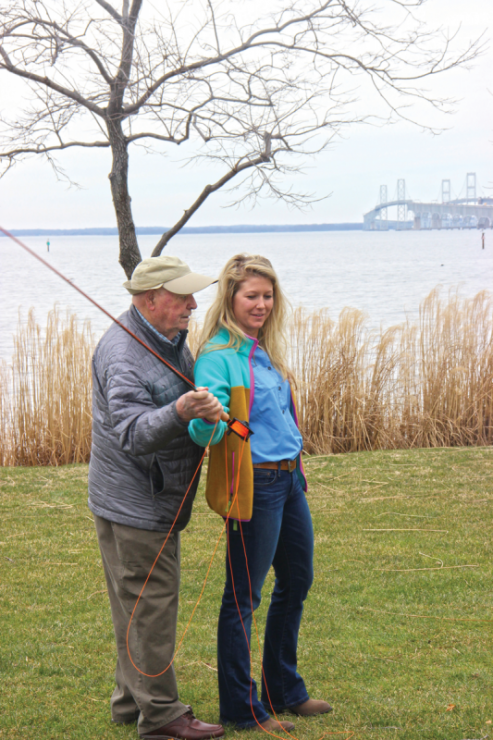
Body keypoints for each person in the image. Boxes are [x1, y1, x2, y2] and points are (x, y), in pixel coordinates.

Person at [189, 254, 332, 731]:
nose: (262, 304)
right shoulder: (217, 355)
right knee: (243, 599)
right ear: (230, 298)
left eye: (267, 295)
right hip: (256, 484)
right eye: (252, 295)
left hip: (290, 480)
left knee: (297, 582)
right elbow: (204, 431)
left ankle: (283, 689)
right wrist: (204, 416)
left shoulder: (261, 348)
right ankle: (242, 709)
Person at [88, 256, 225, 740]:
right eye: (182, 296)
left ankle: (130, 701)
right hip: (135, 506)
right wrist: (181, 408)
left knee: (134, 606)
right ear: (150, 300)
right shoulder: (124, 354)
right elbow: (129, 432)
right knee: (152, 607)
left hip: (137, 500)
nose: (192, 304)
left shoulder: (165, 337)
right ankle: (163, 716)